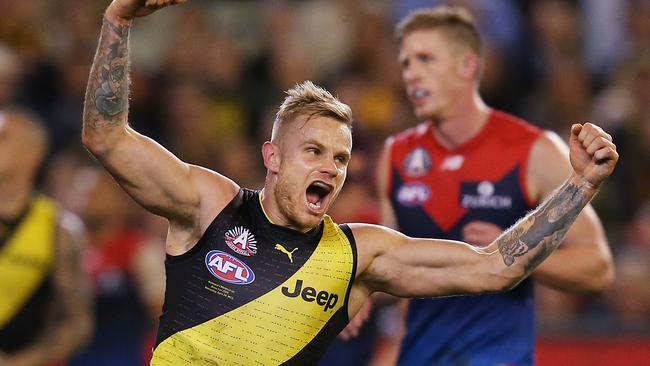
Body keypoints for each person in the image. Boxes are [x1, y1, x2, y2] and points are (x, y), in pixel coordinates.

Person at [83, 1, 618, 364]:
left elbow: (498, 267)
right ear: (271, 157)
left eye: (341, 158)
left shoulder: (359, 257)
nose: (330, 169)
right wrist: (118, 19)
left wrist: (580, 183)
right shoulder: (209, 205)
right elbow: (106, 137)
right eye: (313, 152)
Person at [374, 6, 615, 365]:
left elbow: (598, 268)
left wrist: (515, 253)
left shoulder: (533, 149)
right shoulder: (396, 156)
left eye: (426, 60)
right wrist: (361, 292)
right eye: (407, 63)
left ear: (467, 66)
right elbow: (390, 273)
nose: (412, 76)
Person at [0, 107, 92, 365]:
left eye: (4, 137)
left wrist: (21, 361)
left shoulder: (59, 229)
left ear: (32, 155)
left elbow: (77, 322)